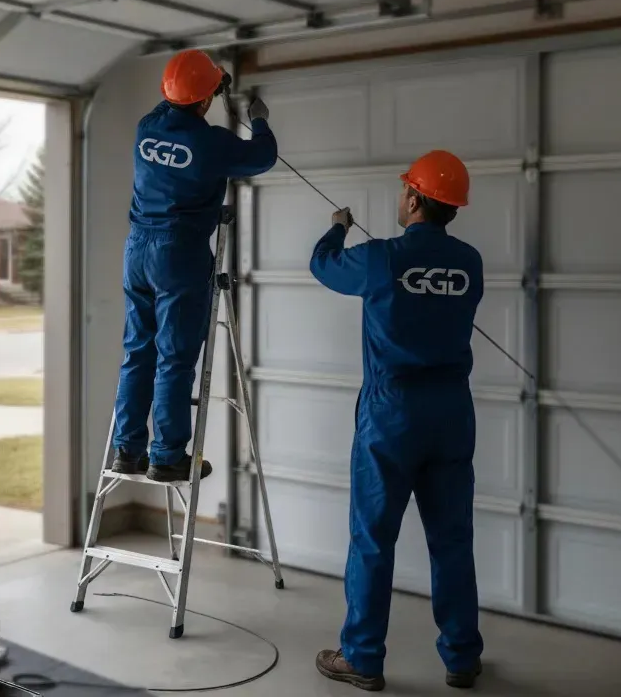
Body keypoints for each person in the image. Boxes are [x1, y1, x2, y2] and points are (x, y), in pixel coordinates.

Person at [309, 150, 486, 691]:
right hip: (453, 411)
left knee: (372, 539)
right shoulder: (471, 261)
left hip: (393, 413)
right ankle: (461, 657)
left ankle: (362, 657)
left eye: (404, 189)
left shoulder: (381, 257)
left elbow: (323, 266)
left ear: (413, 198)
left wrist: (335, 230)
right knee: (452, 539)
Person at [110, 49, 278, 483]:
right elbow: (262, 156)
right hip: (177, 253)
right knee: (175, 356)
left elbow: (175, 104)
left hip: (137, 249)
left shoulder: (146, 127)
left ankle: (127, 451)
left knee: (137, 350)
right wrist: (255, 116)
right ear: (203, 100)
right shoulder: (211, 143)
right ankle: (166, 457)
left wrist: (207, 83)